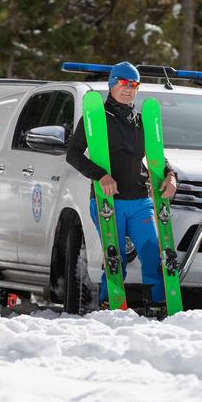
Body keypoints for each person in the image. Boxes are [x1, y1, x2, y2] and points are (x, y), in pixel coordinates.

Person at [66, 61, 178, 308]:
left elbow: (156, 156)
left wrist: (170, 176)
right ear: (112, 84)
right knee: (116, 258)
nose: (128, 89)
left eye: (134, 85)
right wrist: (100, 175)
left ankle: (157, 305)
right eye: (123, 84)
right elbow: (73, 154)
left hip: (140, 200)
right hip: (109, 201)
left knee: (152, 255)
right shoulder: (95, 117)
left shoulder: (141, 120)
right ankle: (110, 305)